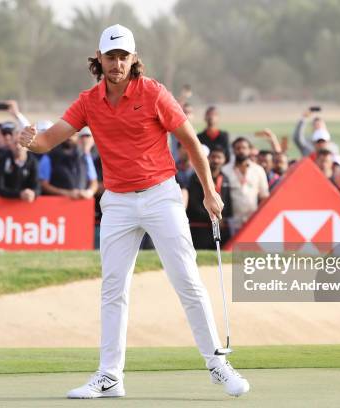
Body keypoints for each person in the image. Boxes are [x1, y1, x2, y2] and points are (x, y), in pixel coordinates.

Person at [19, 24, 249, 398]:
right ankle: (110, 375)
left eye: (124, 57)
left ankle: (218, 365)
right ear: (99, 59)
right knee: (113, 288)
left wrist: (209, 191)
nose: (117, 64)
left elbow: (191, 141)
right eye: (111, 57)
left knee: (187, 281)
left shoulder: (154, 93)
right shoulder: (88, 101)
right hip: (118, 202)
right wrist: (29, 141)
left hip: (160, 195)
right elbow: (47, 140)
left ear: (133, 59)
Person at [187, 147, 232, 248]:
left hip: (220, 226)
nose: (216, 160)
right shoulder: (196, 177)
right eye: (213, 157)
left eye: (219, 157)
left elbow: (227, 202)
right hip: (200, 227)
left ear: (224, 160)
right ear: (208, 158)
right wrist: (213, 218)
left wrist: (222, 218)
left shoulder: (225, 178)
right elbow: (193, 204)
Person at [223, 137, 269, 233]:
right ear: (233, 150)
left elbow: (264, 196)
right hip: (233, 220)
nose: (241, 151)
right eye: (238, 148)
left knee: (251, 247)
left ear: (249, 150)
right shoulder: (225, 170)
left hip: (253, 219)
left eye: (244, 148)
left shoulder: (258, 170)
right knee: (233, 247)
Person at [38, 126, 98, 199]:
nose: (70, 137)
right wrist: (66, 193)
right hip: (57, 205)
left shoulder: (85, 156)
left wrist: (89, 192)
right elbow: (43, 184)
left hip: (81, 204)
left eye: (73, 134)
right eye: (66, 134)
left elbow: (94, 182)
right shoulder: (49, 157)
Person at [0, 128, 39, 202]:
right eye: (15, 143)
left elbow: (37, 185)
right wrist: (19, 194)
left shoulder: (33, 161)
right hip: (3, 204)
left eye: (21, 144)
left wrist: (33, 193)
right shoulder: (1, 159)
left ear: (27, 146)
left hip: (25, 203)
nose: (18, 147)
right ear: (10, 144)